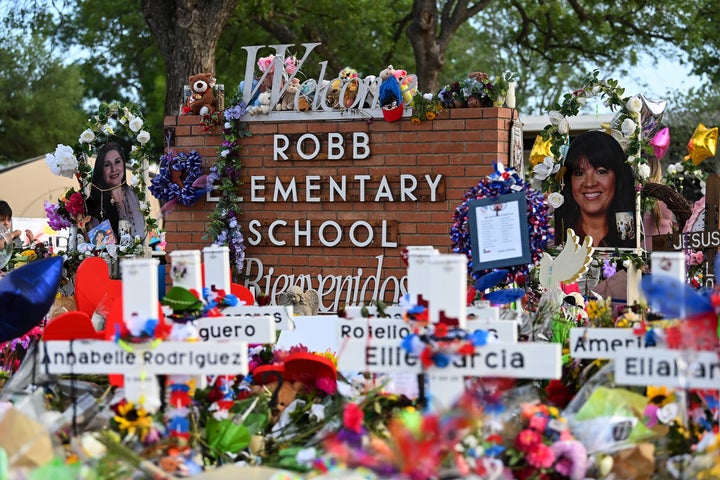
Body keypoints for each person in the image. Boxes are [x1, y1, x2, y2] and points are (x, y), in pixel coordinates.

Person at [554, 130, 636, 248]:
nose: (589, 183)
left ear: (618, 178)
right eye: (579, 173)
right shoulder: (556, 239)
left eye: (601, 172)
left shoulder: (637, 236)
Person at [85, 142, 145, 242]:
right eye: (107, 165)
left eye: (117, 162)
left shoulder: (134, 194)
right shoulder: (95, 202)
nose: (114, 169)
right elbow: (99, 244)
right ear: (100, 170)